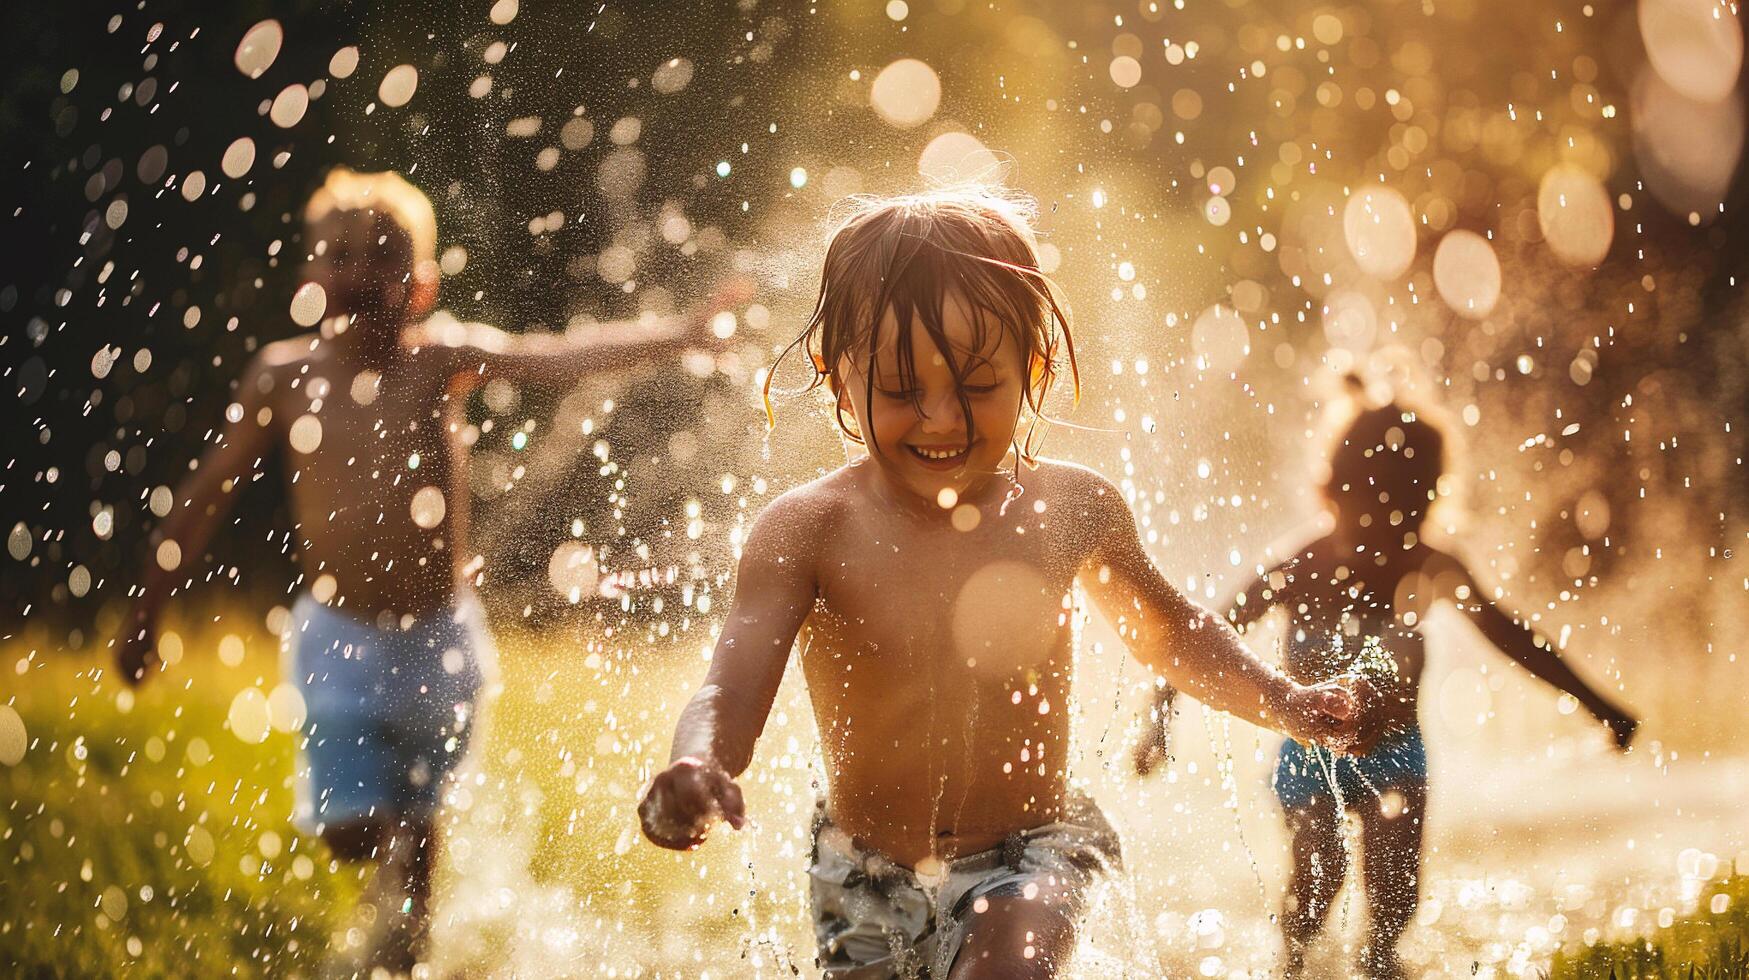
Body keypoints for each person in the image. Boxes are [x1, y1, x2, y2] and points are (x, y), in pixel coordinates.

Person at [636, 187, 1361, 979]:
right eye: (901, 388)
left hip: (1032, 856)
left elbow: (1170, 631)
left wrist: (1282, 701)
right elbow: (729, 692)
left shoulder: (1068, 508)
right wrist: (700, 761)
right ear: (837, 377)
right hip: (861, 873)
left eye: (978, 386)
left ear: (1035, 367)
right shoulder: (809, 530)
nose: (942, 419)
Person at [113, 167, 734, 971]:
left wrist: (679, 336)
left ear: (421, 283)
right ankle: (394, 889)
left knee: (419, 812)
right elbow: (202, 500)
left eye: (382, 257)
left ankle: (405, 948)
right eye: (339, 256)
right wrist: (145, 610)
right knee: (348, 829)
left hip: (440, 643)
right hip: (337, 642)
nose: (359, 273)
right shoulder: (283, 377)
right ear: (311, 277)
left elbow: (558, 357)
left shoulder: (437, 360)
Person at [1133, 379, 1639, 979]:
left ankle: (1381, 964)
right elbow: (1206, 638)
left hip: (1398, 753)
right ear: (1333, 494)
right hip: (1309, 752)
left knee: (1395, 900)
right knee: (1318, 881)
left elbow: (1513, 637)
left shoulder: (1427, 564)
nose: (1377, 538)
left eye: (1398, 518)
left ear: (1425, 506)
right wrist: (1161, 713)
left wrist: (1596, 702)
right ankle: (1291, 965)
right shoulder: (1302, 565)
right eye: (1364, 511)